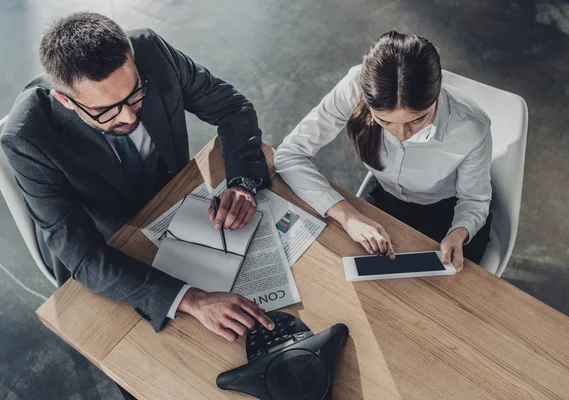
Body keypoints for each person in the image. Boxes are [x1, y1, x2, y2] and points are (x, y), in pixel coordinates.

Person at [1, 12, 275, 339]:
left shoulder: (151, 51)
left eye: (135, 92)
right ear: (65, 100)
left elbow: (231, 108)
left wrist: (242, 182)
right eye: (107, 110)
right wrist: (192, 299)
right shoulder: (28, 136)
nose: (130, 115)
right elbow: (83, 256)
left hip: (176, 201)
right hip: (111, 245)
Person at [275, 31, 493, 271]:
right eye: (385, 122)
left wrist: (459, 232)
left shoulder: (471, 127)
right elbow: (290, 154)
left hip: (446, 213)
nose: (401, 136)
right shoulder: (354, 87)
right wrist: (349, 216)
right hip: (385, 201)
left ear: (438, 89)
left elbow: (474, 199)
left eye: (417, 120)